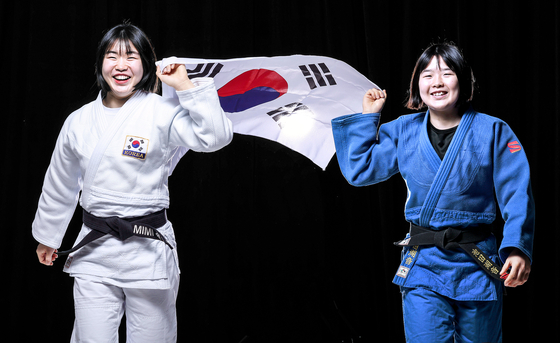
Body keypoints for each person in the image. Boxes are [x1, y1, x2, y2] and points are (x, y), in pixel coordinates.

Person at [33, 22, 233, 342]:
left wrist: (186, 87)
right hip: (94, 251)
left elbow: (216, 137)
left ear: (146, 64)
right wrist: (48, 236)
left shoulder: (163, 111)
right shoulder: (79, 120)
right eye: (112, 56)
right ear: (101, 63)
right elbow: (60, 182)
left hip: (148, 250)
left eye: (132, 56)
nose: (121, 65)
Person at [331, 42, 534, 342]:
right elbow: (361, 170)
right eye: (427, 75)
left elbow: (517, 193)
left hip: (476, 261)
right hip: (424, 262)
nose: (436, 82)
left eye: (447, 73)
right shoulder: (403, 129)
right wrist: (368, 118)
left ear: (462, 81)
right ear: (417, 85)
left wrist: (517, 247)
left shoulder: (493, 130)